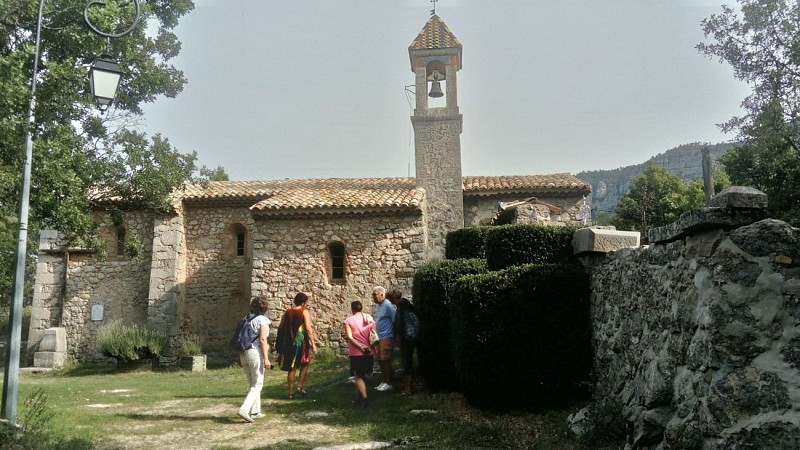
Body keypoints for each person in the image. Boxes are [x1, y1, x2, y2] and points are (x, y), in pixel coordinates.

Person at [237, 295, 272, 423]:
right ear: (265, 307)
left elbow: (240, 337)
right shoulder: (263, 320)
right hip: (254, 352)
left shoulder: (246, 318)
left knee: (252, 383)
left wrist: (239, 357)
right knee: (258, 384)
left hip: (243, 352)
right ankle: (244, 409)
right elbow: (263, 339)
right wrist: (266, 358)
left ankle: (255, 411)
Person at [276, 292, 318, 399]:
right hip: (301, 342)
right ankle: (299, 386)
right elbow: (308, 329)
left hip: (289, 343)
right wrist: (313, 344)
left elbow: (280, 327)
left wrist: (280, 345)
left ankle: (290, 393)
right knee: (305, 363)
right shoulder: (304, 312)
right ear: (304, 302)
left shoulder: (288, 312)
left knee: (292, 367)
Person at [387, 288, 420, 395]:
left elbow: (410, 324)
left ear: (396, 298)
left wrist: (403, 337)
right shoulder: (401, 307)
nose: (391, 303)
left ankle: (408, 388)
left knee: (408, 362)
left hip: (409, 339)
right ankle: (407, 387)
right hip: (407, 338)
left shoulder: (405, 308)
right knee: (406, 362)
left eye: (392, 300)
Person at [343, 300, 376, 406]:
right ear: (361, 309)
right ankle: (359, 397)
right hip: (368, 352)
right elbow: (374, 335)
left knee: (358, 376)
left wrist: (360, 347)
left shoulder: (348, 321)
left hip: (356, 352)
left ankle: (365, 399)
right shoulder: (368, 318)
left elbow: (349, 336)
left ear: (352, 309)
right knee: (362, 375)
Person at [371, 285, 396, 391]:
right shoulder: (378, 305)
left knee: (386, 360)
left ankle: (389, 383)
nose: (373, 297)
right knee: (380, 360)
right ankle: (384, 381)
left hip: (387, 336)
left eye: (375, 295)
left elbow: (394, 319)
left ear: (382, 295)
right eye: (372, 295)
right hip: (379, 337)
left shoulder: (388, 305)